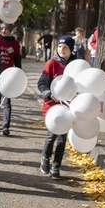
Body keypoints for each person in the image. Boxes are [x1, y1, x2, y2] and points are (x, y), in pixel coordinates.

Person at [37, 35, 75, 180]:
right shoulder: (51, 63)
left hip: (68, 106)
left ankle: (56, 166)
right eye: (59, 47)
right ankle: (45, 158)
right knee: (52, 134)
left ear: (71, 49)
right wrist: (49, 94)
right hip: (52, 106)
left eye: (65, 47)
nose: (62, 50)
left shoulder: (75, 65)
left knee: (62, 138)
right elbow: (42, 83)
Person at [0, 22, 22, 135]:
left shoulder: (14, 43)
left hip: (8, 75)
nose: (4, 31)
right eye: (3, 28)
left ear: (10, 30)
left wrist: (19, 73)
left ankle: (5, 126)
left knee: (7, 101)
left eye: (7, 29)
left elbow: (17, 59)